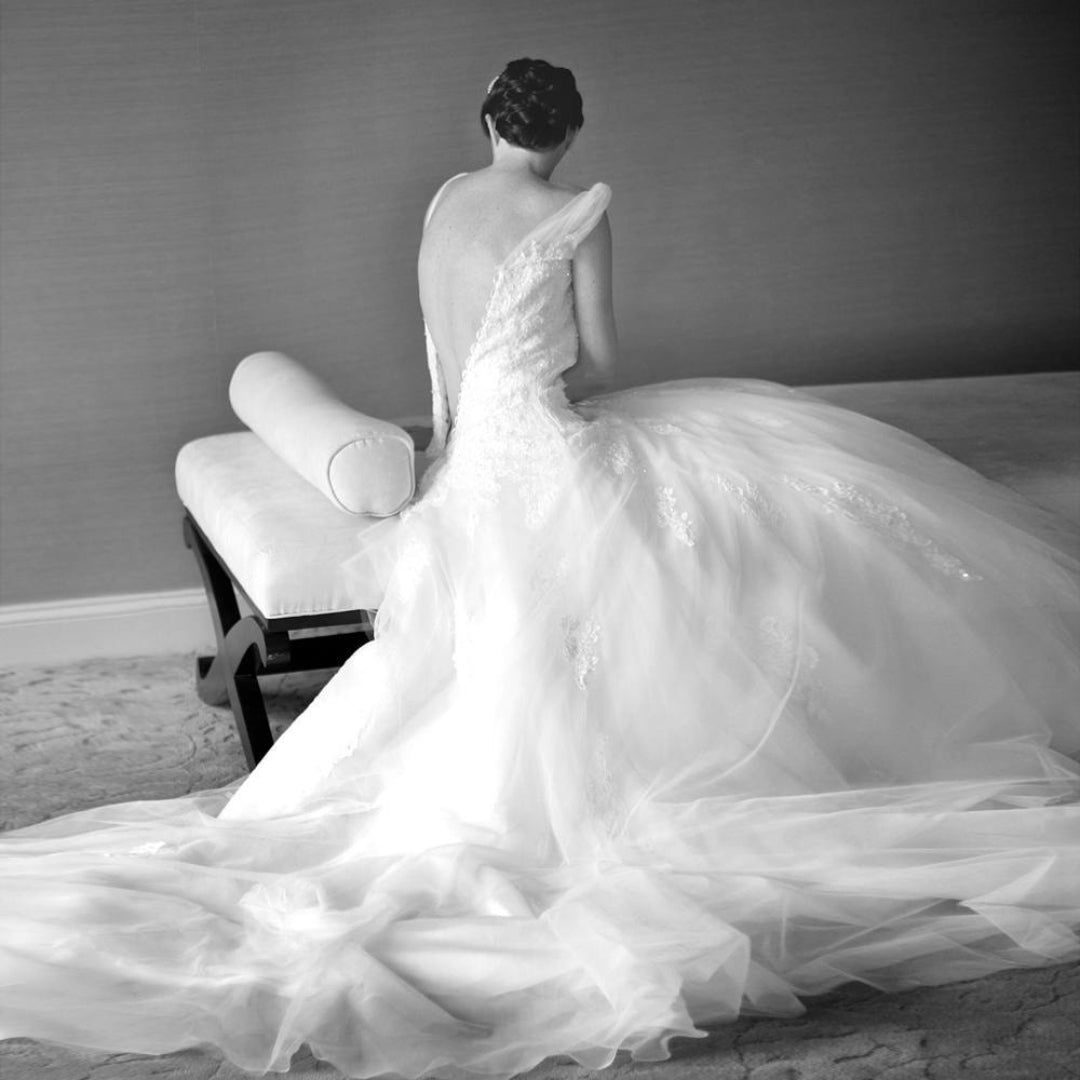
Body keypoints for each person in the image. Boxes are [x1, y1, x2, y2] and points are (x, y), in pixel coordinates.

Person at [1, 57, 1079, 1080]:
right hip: (545, 441)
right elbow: (600, 361)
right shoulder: (578, 210)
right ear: (568, 133)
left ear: (487, 119)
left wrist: (452, 437)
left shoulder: (441, 203)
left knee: (689, 511)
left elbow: (439, 348)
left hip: (471, 463)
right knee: (750, 485)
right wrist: (549, 393)